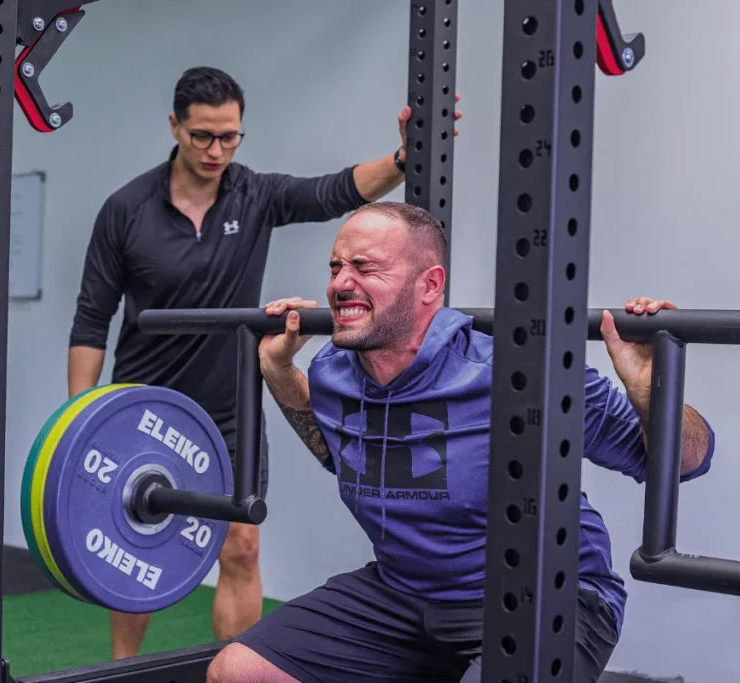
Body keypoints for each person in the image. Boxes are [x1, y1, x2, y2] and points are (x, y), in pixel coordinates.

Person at [205, 201, 716, 683]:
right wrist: (276, 368)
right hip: (403, 594)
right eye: (336, 267)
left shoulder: (521, 374)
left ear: (429, 286)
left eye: (365, 268)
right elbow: (335, 451)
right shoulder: (333, 371)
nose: (341, 283)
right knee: (239, 671)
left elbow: (684, 462)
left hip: (549, 599)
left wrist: (652, 393)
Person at [67, 68, 463, 659]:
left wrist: (404, 159)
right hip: (146, 404)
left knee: (242, 547)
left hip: (230, 406)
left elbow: (334, 190)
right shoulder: (126, 210)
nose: (216, 150)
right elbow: (91, 319)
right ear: (174, 126)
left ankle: (241, 668)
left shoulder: (254, 195)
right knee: (135, 546)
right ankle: (123, 667)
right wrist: (82, 412)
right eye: (203, 135)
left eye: (230, 137)